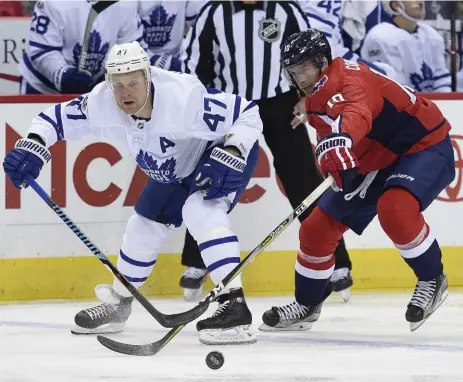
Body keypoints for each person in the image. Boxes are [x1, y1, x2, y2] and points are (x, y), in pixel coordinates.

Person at [3, 41, 262, 345]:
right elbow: (52, 119)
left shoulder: (184, 99)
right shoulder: (102, 102)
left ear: (148, 78)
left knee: (200, 210)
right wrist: (33, 143)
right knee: (142, 224)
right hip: (173, 167)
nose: (126, 92)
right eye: (118, 84)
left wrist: (232, 150)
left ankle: (235, 306)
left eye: (134, 82)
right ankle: (119, 305)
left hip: (216, 154)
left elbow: (247, 113)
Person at [259, 29, 454, 332]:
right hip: (373, 157)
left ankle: (432, 278)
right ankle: (307, 304)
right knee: (316, 227)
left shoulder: (349, 81)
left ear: (322, 62)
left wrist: (343, 140)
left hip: (421, 145)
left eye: (305, 69)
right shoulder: (313, 96)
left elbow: (355, 113)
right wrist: (338, 163)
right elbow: (331, 135)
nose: (300, 79)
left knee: (395, 208)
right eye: (294, 73)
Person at [179, 0, 353, 302]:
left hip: (281, 105)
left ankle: (336, 259)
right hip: (230, 107)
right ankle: (198, 261)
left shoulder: (286, 10)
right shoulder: (213, 11)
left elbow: (316, 59)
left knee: (304, 182)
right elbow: (194, 65)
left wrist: (308, 99)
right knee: (212, 180)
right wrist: (205, 106)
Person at [18, 0, 145, 95]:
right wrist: (63, 76)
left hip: (94, 91)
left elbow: (130, 48)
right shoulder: (54, 2)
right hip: (43, 88)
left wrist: (115, 74)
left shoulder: (126, 3)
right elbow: (42, 51)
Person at [361, 1, 451, 92]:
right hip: (402, 103)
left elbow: (441, 77)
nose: (420, 2)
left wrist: (444, 102)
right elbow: (393, 88)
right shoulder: (379, 36)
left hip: (430, 102)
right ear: (395, 5)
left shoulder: (431, 34)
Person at [138, 1, 206, 72]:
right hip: (139, 63)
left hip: (177, 58)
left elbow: (198, 26)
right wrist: (154, 59)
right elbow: (128, 38)